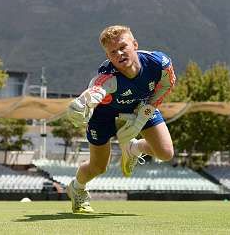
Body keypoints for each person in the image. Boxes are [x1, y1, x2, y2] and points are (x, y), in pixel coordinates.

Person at [64, 25, 176, 213]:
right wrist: (83, 103)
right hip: (104, 116)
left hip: (141, 106)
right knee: (98, 167)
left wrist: (143, 114)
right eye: (113, 52)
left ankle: (134, 148)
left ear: (135, 44)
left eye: (123, 47)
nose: (119, 54)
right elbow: (96, 89)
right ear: (108, 56)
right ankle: (77, 188)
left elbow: (167, 84)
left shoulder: (159, 63)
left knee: (166, 153)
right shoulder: (108, 76)